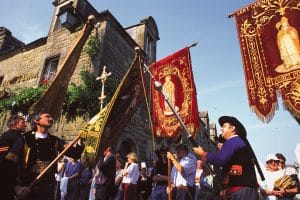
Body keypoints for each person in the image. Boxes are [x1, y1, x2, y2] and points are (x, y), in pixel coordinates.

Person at [20, 112, 84, 200]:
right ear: (37, 121)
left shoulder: (55, 141)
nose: (51, 119)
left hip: (48, 186)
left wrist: (81, 141)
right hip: (28, 185)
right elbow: (11, 163)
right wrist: (16, 186)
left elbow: (74, 153)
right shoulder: (25, 138)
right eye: (47, 117)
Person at [193, 116, 259, 200]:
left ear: (232, 128)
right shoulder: (235, 141)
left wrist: (203, 154)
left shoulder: (233, 141)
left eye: (224, 127)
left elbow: (220, 160)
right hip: (239, 190)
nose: (221, 129)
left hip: (242, 190)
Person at [0, 114, 29, 200]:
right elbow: (6, 164)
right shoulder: (12, 137)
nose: (25, 125)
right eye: (23, 122)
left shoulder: (17, 137)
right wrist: (15, 186)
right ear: (15, 124)